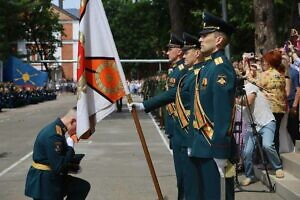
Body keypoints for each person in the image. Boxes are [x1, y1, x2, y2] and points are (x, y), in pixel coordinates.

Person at [128, 32, 204, 200]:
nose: (167, 53)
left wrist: (145, 105)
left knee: (188, 179)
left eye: (170, 49)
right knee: (182, 178)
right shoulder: (178, 71)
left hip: (185, 129)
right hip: (177, 126)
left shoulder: (185, 71)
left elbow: (172, 95)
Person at [188, 12, 236, 200]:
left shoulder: (221, 67)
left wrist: (221, 150)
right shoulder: (208, 67)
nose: (200, 39)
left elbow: (222, 111)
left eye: (204, 36)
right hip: (202, 145)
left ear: (217, 40)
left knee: (217, 196)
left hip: (213, 147)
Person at [25, 107, 90, 200]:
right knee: (80, 187)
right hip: (45, 182)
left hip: (49, 176)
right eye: (79, 127)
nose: (79, 131)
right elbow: (59, 167)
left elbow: (58, 156)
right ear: (73, 121)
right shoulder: (54, 135)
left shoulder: (58, 129)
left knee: (81, 187)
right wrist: (70, 148)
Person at [237, 82, 284, 186]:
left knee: (267, 145)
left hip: (266, 122)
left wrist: (234, 100)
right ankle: (250, 176)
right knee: (247, 152)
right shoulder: (234, 96)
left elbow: (249, 101)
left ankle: (278, 167)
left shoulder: (250, 86)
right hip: (252, 126)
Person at [255, 50, 287, 154]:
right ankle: (276, 158)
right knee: (275, 134)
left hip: (268, 109)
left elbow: (254, 86)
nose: (263, 63)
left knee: (267, 136)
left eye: (265, 61)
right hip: (280, 109)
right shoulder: (281, 75)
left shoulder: (264, 75)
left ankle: (270, 161)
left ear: (269, 62)